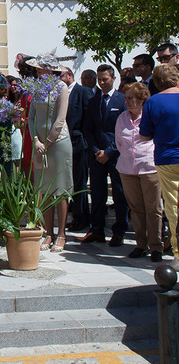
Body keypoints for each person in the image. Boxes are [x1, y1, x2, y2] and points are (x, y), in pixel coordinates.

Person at [27, 55, 73, 252]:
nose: (37, 71)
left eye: (41, 68)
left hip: (58, 142)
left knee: (60, 189)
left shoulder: (61, 87)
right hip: (39, 143)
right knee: (44, 188)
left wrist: (48, 142)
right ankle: (48, 232)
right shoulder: (37, 88)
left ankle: (61, 233)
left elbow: (60, 119)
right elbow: (31, 117)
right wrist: (36, 140)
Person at [81, 64, 128, 247]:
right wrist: (95, 150)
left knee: (119, 193)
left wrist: (109, 151)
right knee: (97, 193)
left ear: (113, 79)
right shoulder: (94, 101)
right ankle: (97, 229)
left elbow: (124, 131)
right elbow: (88, 129)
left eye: (105, 79)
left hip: (116, 154)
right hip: (97, 155)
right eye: (99, 79)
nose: (102, 83)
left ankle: (119, 231)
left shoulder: (121, 100)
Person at [115, 83, 163, 262]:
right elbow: (119, 142)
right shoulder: (122, 118)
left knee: (153, 208)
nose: (127, 102)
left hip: (149, 167)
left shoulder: (150, 116)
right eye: (126, 98)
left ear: (142, 99)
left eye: (131, 98)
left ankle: (155, 246)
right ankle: (141, 244)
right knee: (136, 208)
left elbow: (156, 139)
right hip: (127, 169)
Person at [139, 63, 179, 261]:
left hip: (167, 158)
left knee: (172, 206)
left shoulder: (153, 102)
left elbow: (144, 135)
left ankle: (178, 253)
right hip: (168, 156)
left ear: (156, 82)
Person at [60, 67, 92, 231]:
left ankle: (82, 218)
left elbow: (89, 118)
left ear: (69, 75)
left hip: (79, 143)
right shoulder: (61, 93)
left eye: (60, 75)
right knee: (69, 182)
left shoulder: (82, 92)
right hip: (65, 144)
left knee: (80, 183)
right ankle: (75, 215)